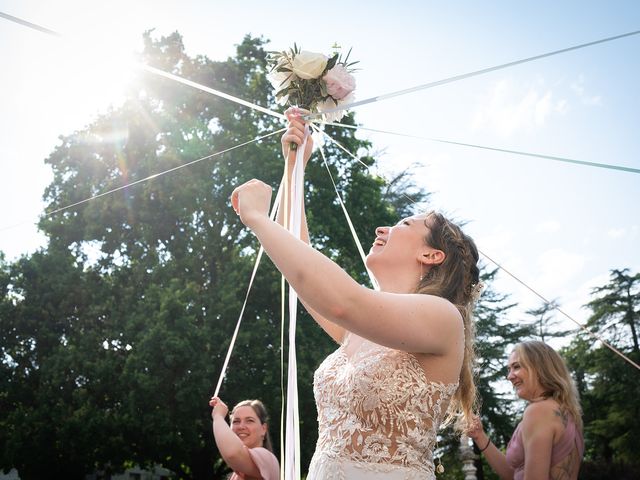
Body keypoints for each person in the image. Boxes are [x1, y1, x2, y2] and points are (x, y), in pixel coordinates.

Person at [229, 108, 481, 479]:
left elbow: (341, 300)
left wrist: (258, 219)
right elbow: (305, 266)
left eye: (403, 223)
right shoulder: (361, 329)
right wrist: (294, 166)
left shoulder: (443, 317)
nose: (382, 228)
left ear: (431, 255)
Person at [466, 341, 584, 480]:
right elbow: (514, 474)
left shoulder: (539, 411)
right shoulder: (566, 411)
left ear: (540, 368)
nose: (509, 376)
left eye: (516, 367)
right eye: (509, 369)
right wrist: (480, 436)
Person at [209, 397, 280, 480]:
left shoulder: (267, 458)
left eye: (249, 421)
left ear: (263, 429)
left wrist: (218, 416)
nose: (241, 427)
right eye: (236, 421)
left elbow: (232, 453)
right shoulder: (237, 472)